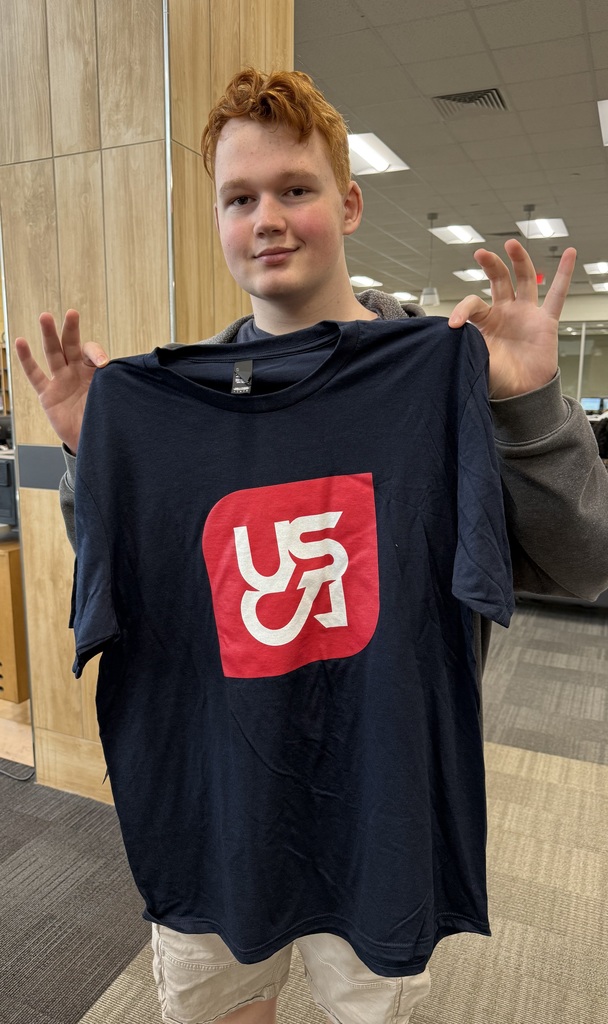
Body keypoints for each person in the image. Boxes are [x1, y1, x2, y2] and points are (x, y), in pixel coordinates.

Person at [15, 69, 608, 1024]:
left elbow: (582, 566)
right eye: (239, 198)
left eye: (296, 188)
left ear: (350, 200)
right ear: (218, 220)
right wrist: (105, 454)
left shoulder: (438, 373)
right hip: (215, 800)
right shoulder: (171, 410)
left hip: (380, 803)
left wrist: (527, 404)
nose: (269, 219)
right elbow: (133, 587)